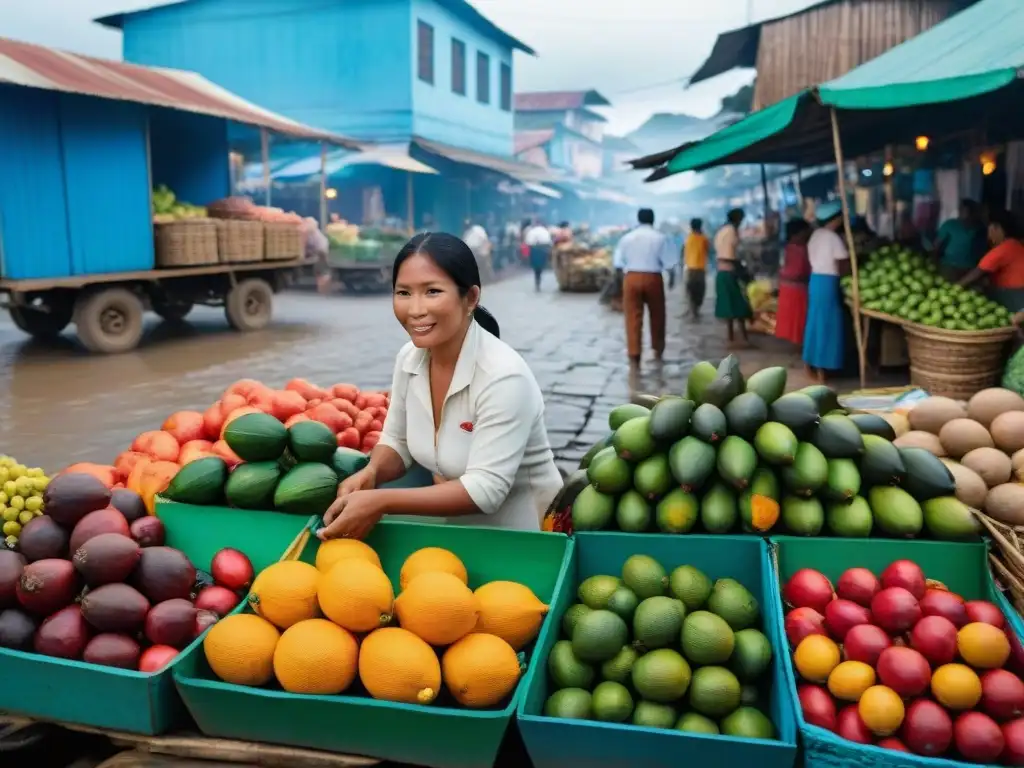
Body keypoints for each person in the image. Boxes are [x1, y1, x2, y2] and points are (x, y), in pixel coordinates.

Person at [318, 232, 563, 540]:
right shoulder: (410, 358)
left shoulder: (504, 376)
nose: (415, 309)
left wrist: (380, 501)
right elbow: (397, 442)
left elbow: (486, 490)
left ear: (471, 297)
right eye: (403, 293)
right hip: (459, 533)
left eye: (432, 291)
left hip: (529, 537)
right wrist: (372, 472)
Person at [613, 208, 676, 369]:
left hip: (631, 277)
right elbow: (668, 262)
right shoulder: (660, 238)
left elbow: (618, 263)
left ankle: (634, 354)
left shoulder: (627, 238)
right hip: (653, 278)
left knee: (632, 317)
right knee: (658, 315)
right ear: (653, 220)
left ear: (638, 219)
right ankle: (658, 349)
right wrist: (672, 278)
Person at [803, 201, 851, 382]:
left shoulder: (815, 235)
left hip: (815, 280)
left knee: (815, 322)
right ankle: (823, 369)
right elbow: (843, 266)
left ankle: (809, 364)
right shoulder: (833, 237)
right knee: (828, 324)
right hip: (828, 282)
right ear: (836, 219)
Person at [959, 209, 1024, 312]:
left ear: (996, 228)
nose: (988, 234)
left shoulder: (1004, 248)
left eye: (989, 229)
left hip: (1013, 295)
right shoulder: (1015, 243)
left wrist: (956, 287)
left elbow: (978, 271)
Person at [713, 208, 752, 347]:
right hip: (730, 272)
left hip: (721, 272)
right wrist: (744, 271)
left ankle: (731, 339)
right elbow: (731, 255)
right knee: (740, 307)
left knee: (728, 308)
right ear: (738, 219)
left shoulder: (722, 230)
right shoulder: (731, 231)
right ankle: (744, 338)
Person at [775, 218, 812, 347]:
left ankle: (795, 343)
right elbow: (800, 271)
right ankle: (799, 344)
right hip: (797, 289)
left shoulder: (787, 247)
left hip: (786, 287)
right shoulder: (801, 249)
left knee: (792, 318)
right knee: (799, 318)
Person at [932, 199, 985, 282]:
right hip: (949, 266)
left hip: (970, 269)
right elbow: (936, 245)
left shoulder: (980, 228)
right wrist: (934, 263)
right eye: (961, 209)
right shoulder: (950, 224)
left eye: (967, 210)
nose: (963, 212)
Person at [683, 218, 710, 319]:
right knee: (700, 291)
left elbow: (684, 253)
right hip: (700, 269)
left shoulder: (688, 238)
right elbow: (707, 250)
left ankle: (692, 310)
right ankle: (695, 310)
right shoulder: (704, 238)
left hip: (690, 268)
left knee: (690, 290)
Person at [523, 219, 553, 291]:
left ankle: (537, 281)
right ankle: (538, 280)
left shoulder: (532, 231)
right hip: (543, 249)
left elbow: (528, 242)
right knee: (541, 266)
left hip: (534, 249)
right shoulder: (545, 231)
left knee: (536, 267)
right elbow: (549, 242)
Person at [462, 219, 494, 284]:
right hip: (473, 251)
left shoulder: (478, 229)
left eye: (468, 225)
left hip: (482, 248)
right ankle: (480, 280)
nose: (467, 226)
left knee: (487, 265)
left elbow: (485, 239)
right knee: (477, 267)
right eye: (466, 226)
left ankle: (489, 279)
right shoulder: (466, 234)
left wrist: (486, 249)